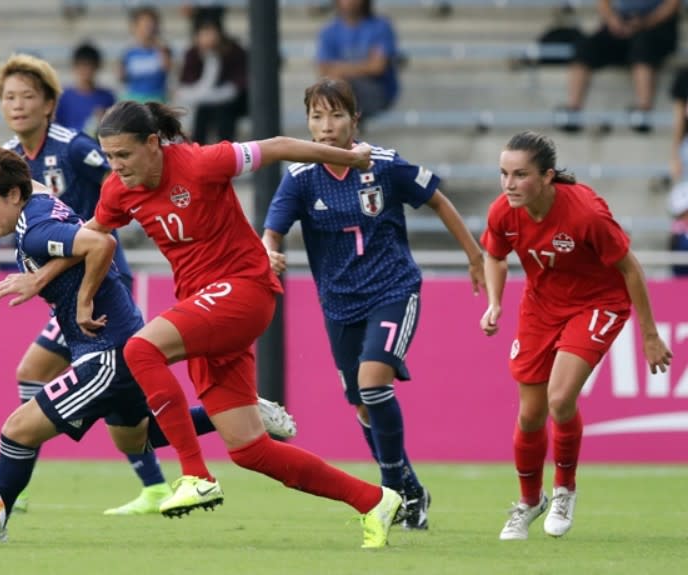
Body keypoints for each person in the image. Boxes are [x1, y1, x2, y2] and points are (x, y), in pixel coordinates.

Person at [18, 100, 405, 548]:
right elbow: (92, 237)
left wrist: (351, 158)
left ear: (152, 144)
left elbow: (278, 147)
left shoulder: (202, 162)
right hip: (204, 307)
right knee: (249, 451)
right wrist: (46, 277)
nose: (116, 166)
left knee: (140, 349)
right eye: (109, 157)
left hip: (244, 290)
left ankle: (196, 475)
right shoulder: (118, 190)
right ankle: (374, 500)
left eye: (124, 155)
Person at [0, 52, 165, 517]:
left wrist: (52, 269)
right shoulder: (11, 170)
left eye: (28, 95)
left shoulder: (72, 149)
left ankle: (11, 485)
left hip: (99, 281)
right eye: (9, 97)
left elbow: (118, 193)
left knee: (29, 403)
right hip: (75, 290)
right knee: (125, 420)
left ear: (49, 104)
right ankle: (217, 435)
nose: (17, 104)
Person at [0, 144, 220, 538]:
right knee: (139, 437)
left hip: (104, 352)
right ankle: (236, 413)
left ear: (13, 195)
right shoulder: (36, 202)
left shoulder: (34, 229)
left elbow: (101, 243)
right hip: (121, 342)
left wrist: (81, 296)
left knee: (17, 430)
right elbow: (81, 229)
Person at [262, 78, 485, 531]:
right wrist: (268, 250)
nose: (326, 127)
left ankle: (390, 489)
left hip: (392, 290)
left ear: (354, 119)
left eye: (336, 115)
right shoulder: (301, 177)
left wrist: (475, 255)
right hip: (339, 304)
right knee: (364, 405)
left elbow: (437, 200)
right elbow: (273, 229)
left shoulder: (383, 165)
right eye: (317, 117)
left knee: (372, 382)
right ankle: (410, 489)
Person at [479, 130, 672, 540]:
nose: (509, 185)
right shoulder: (503, 212)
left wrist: (650, 335)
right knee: (530, 414)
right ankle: (530, 502)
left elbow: (630, 268)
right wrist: (495, 302)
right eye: (504, 174)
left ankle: (564, 488)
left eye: (520, 175)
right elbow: (494, 255)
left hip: (597, 303)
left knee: (560, 398)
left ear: (548, 176)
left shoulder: (585, 213)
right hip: (541, 306)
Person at [556, 0, 680, 133]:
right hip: (620, 24)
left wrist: (646, 22)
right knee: (584, 48)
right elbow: (603, 3)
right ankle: (573, 110)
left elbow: (672, 4)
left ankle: (643, 111)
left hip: (657, 27)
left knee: (643, 48)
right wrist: (613, 20)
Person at [316, 0, 400, 122]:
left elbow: (377, 67)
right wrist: (362, 66)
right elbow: (324, 69)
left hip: (377, 91)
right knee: (332, 85)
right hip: (342, 91)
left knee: (338, 84)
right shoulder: (329, 31)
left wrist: (340, 69)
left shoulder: (380, 26)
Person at [175, 16, 248, 144]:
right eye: (204, 34)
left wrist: (205, 95)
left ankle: (226, 152)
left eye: (211, 33)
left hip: (230, 105)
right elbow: (184, 88)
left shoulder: (233, 51)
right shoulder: (192, 54)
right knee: (199, 114)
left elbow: (234, 89)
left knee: (223, 114)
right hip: (204, 105)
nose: (208, 38)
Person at [55, 41, 116, 136]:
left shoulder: (107, 97)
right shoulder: (64, 97)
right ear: (75, 67)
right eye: (82, 66)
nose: (86, 70)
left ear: (97, 67)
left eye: (90, 66)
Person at [119, 6, 171, 104]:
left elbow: (167, 68)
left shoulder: (163, 49)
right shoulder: (129, 52)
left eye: (150, 24)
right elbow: (122, 77)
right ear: (135, 27)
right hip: (134, 100)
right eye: (143, 24)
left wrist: (159, 46)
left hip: (157, 100)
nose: (147, 28)